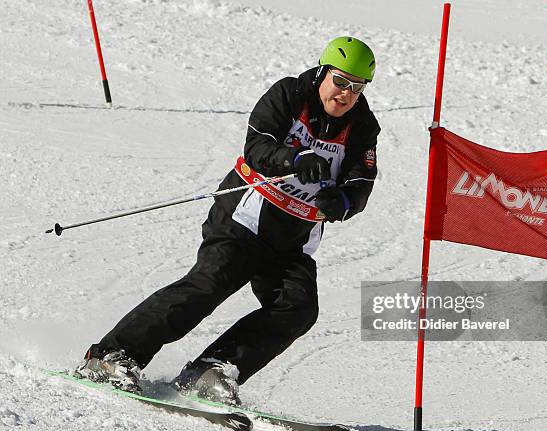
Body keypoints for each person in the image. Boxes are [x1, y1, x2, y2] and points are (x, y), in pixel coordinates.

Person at [74, 36, 381, 405]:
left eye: (357, 87)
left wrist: (342, 200)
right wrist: (294, 159)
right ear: (322, 73)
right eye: (341, 82)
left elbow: (361, 183)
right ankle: (110, 356)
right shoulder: (289, 94)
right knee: (209, 285)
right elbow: (258, 145)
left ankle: (212, 369)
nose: (346, 94)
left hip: (293, 239)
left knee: (298, 309)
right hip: (243, 217)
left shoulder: (363, 127)